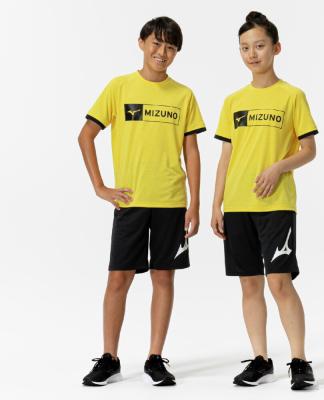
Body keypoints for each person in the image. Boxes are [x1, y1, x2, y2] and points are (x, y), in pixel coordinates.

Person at [78, 16, 206, 387]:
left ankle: (155, 358)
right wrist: (100, 187)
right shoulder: (119, 87)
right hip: (131, 202)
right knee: (118, 278)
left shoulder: (183, 95)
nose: (162, 52)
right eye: (157, 43)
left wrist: (194, 204)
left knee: (163, 277)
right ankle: (109, 357)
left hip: (171, 202)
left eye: (171, 47)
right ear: (142, 43)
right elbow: (86, 136)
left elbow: (192, 151)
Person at [211, 11, 318, 390]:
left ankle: (299, 361)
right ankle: (260, 359)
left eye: (259, 46)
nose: (252, 54)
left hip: (276, 205)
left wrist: (278, 168)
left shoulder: (292, 96)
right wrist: (216, 205)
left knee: (280, 283)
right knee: (249, 285)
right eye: (244, 48)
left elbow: (309, 149)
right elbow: (226, 156)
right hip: (238, 205)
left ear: (276, 48)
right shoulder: (233, 101)